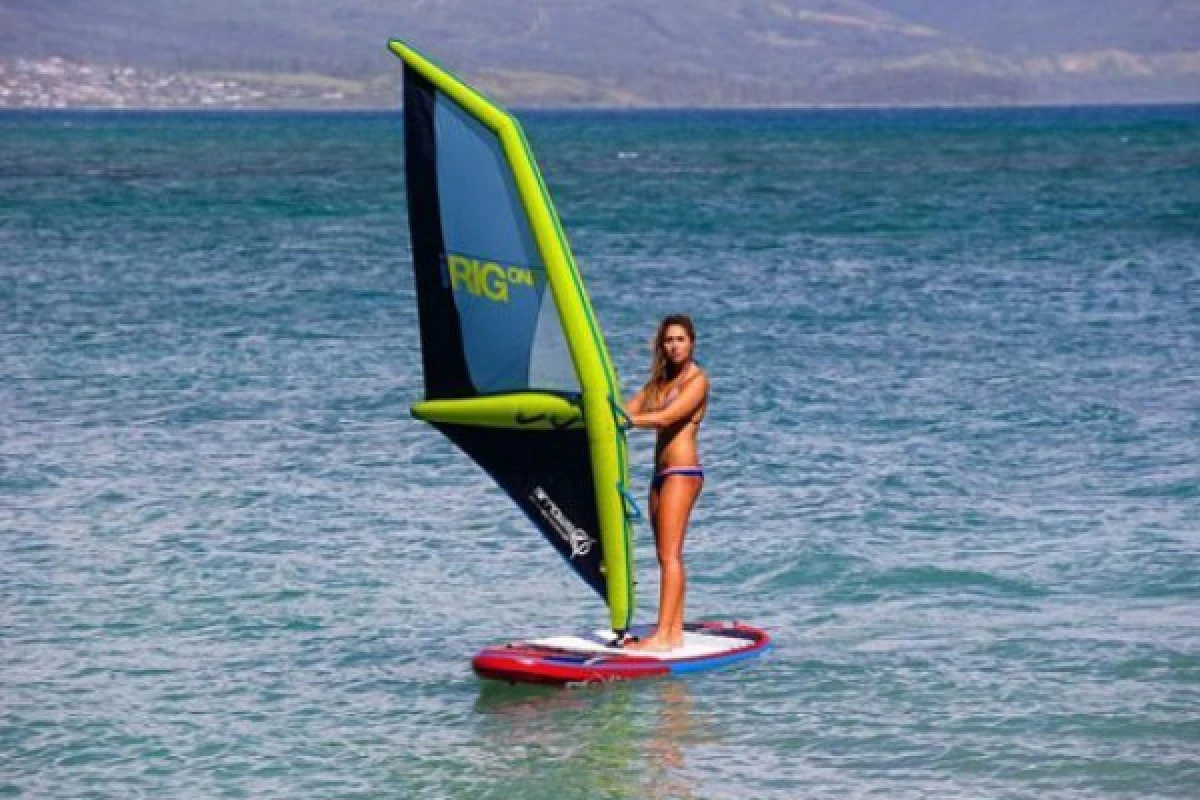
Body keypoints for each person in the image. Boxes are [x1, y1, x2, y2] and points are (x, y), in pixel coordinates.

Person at [623, 314, 709, 651]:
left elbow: (667, 417)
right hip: (660, 473)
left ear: (692, 343)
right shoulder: (658, 384)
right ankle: (673, 633)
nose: (674, 346)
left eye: (680, 340)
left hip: (682, 473)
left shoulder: (697, 380)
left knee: (671, 555)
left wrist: (629, 421)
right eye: (668, 340)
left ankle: (663, 636)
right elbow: (625, 408)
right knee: (664, 555)